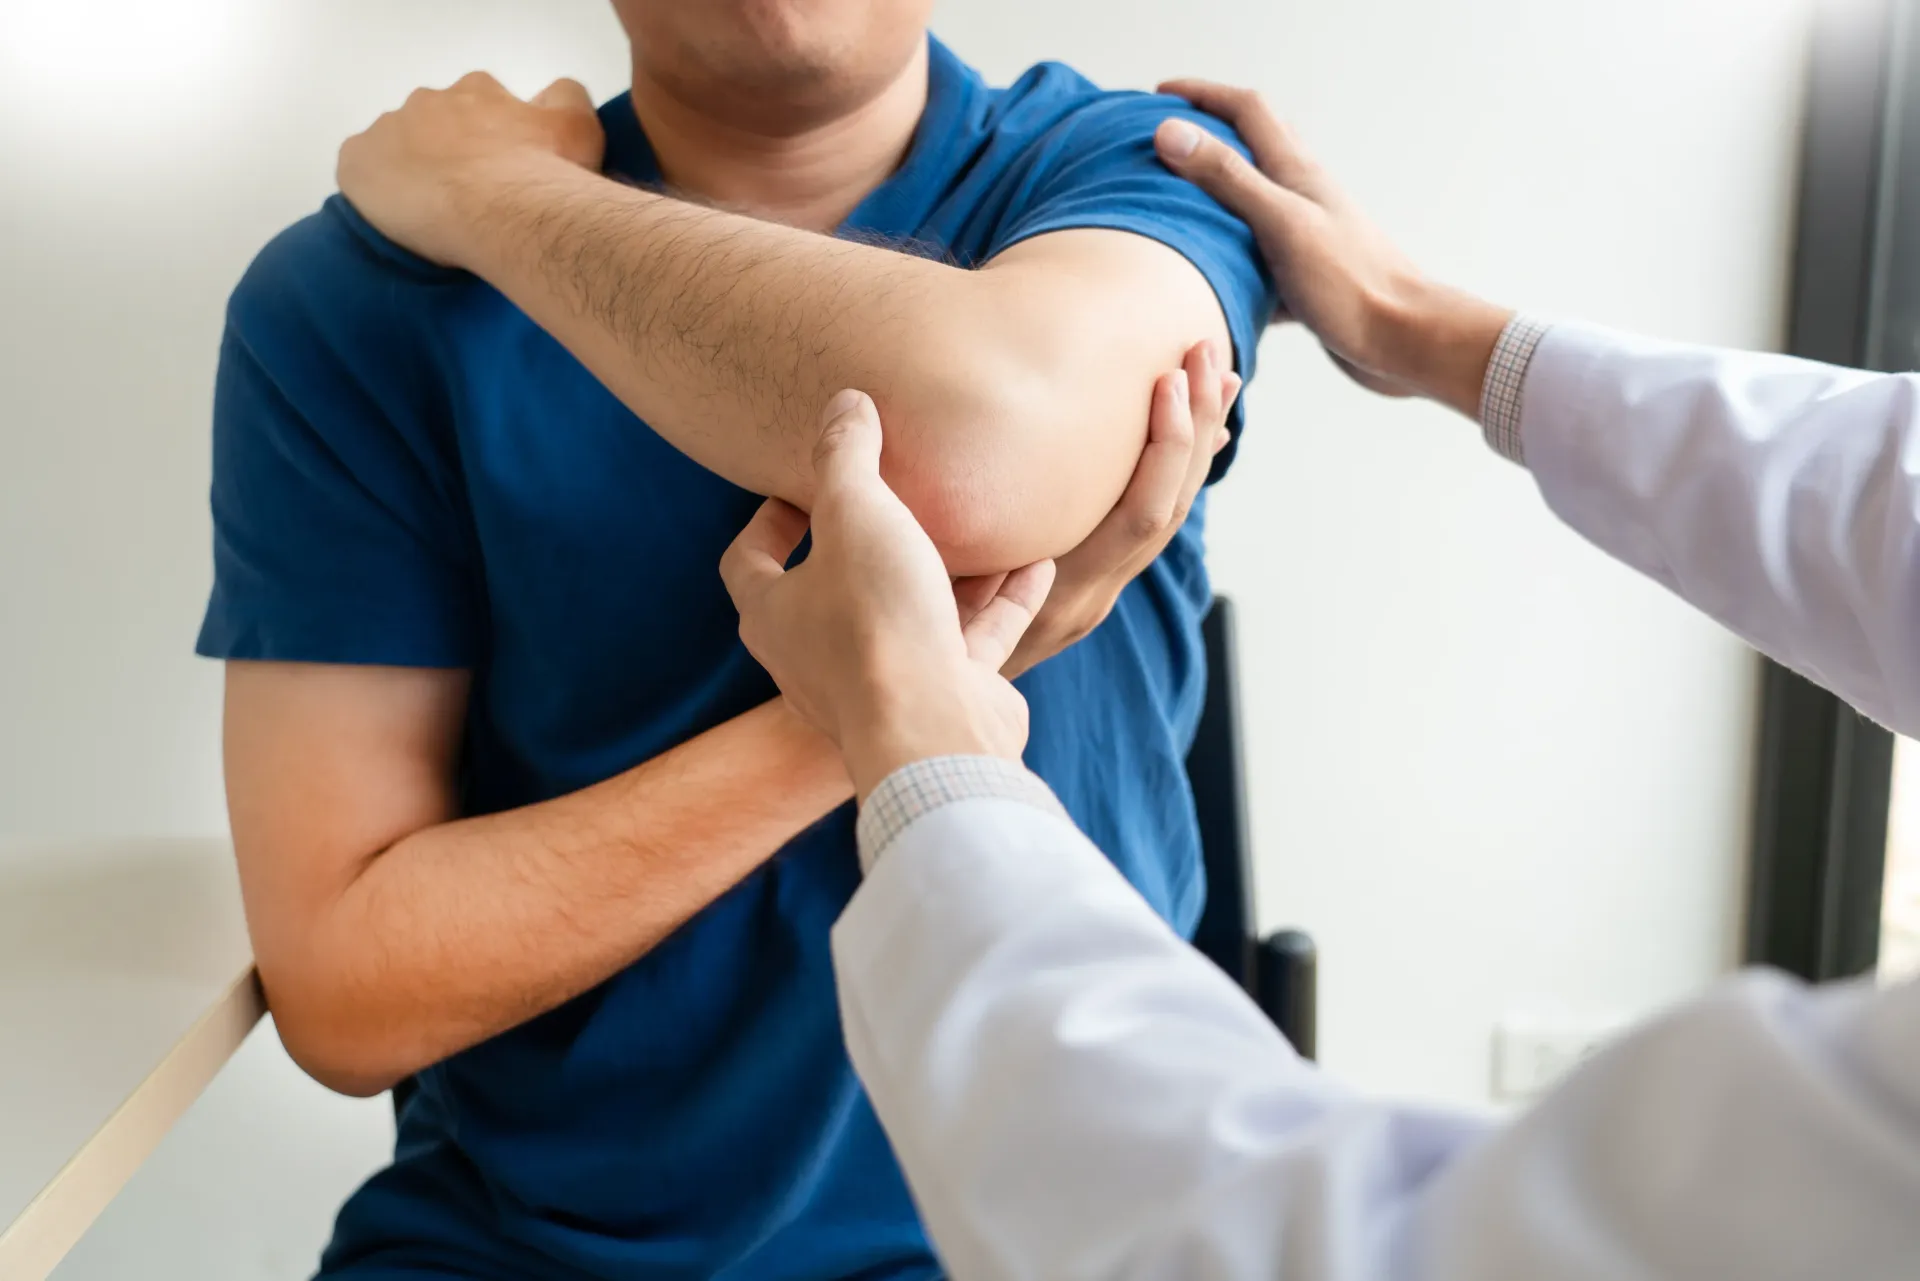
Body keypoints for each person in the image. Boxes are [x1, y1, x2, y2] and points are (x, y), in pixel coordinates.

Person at [717, 83, 1920, 1281]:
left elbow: (978, 453)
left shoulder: (1099, 152)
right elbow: (1887, 503)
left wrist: (916, 733)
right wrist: (1427, 330)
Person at [199, 3, 1276, 1275]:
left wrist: (495, 198)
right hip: (527, 1251)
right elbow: (346, 981)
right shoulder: (360, 298)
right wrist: (865, 710)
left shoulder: (1139, 170)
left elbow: (982, 447)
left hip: (1062, 1243)